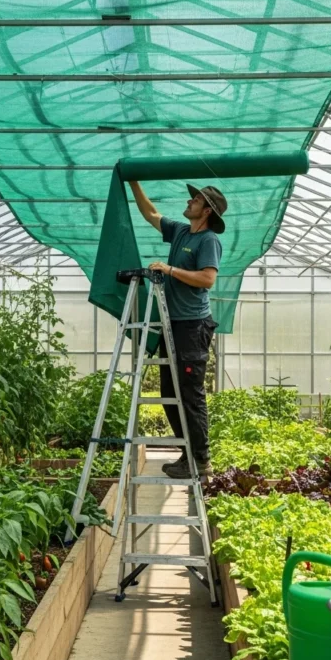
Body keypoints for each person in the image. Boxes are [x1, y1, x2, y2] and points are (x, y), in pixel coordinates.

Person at [127, 179, 227, 478]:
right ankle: (188, 455)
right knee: (169, 391)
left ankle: (202, 460)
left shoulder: (208, 240)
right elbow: (151, 214)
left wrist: (170, 270)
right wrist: (133, 182)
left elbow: (208, 279)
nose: (188, 202)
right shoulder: (182, 231)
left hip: (193, 326)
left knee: (190, 392)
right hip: (174, 324)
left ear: (206, 210)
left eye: (194, 200)